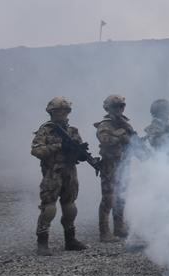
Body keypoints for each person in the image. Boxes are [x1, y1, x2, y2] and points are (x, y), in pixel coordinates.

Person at [30, 97, 93, 255]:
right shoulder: (45, 130)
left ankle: (70, 240)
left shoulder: (72, 131)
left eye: (65, 111)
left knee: (70, 206)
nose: (62, 114)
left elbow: (78, 150)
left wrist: (80, 154)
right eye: (58, 111)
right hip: (53, 173)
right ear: (51, 113)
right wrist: (58, 146)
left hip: (70, 172)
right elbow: (36, 151)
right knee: (49, 208)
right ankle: (42, 243)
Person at [94, 94, 138, 241]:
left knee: (121, 196)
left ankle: (119, 227)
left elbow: (133, 140)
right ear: (108, 108)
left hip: (123, 164)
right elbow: (104, 140)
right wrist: (120, 136)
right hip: (110, 165)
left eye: (122, 106)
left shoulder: (124, 123)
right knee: (108, 198)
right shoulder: (105, 124)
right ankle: (104, 232)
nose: (120, 109)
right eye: (116, 106)